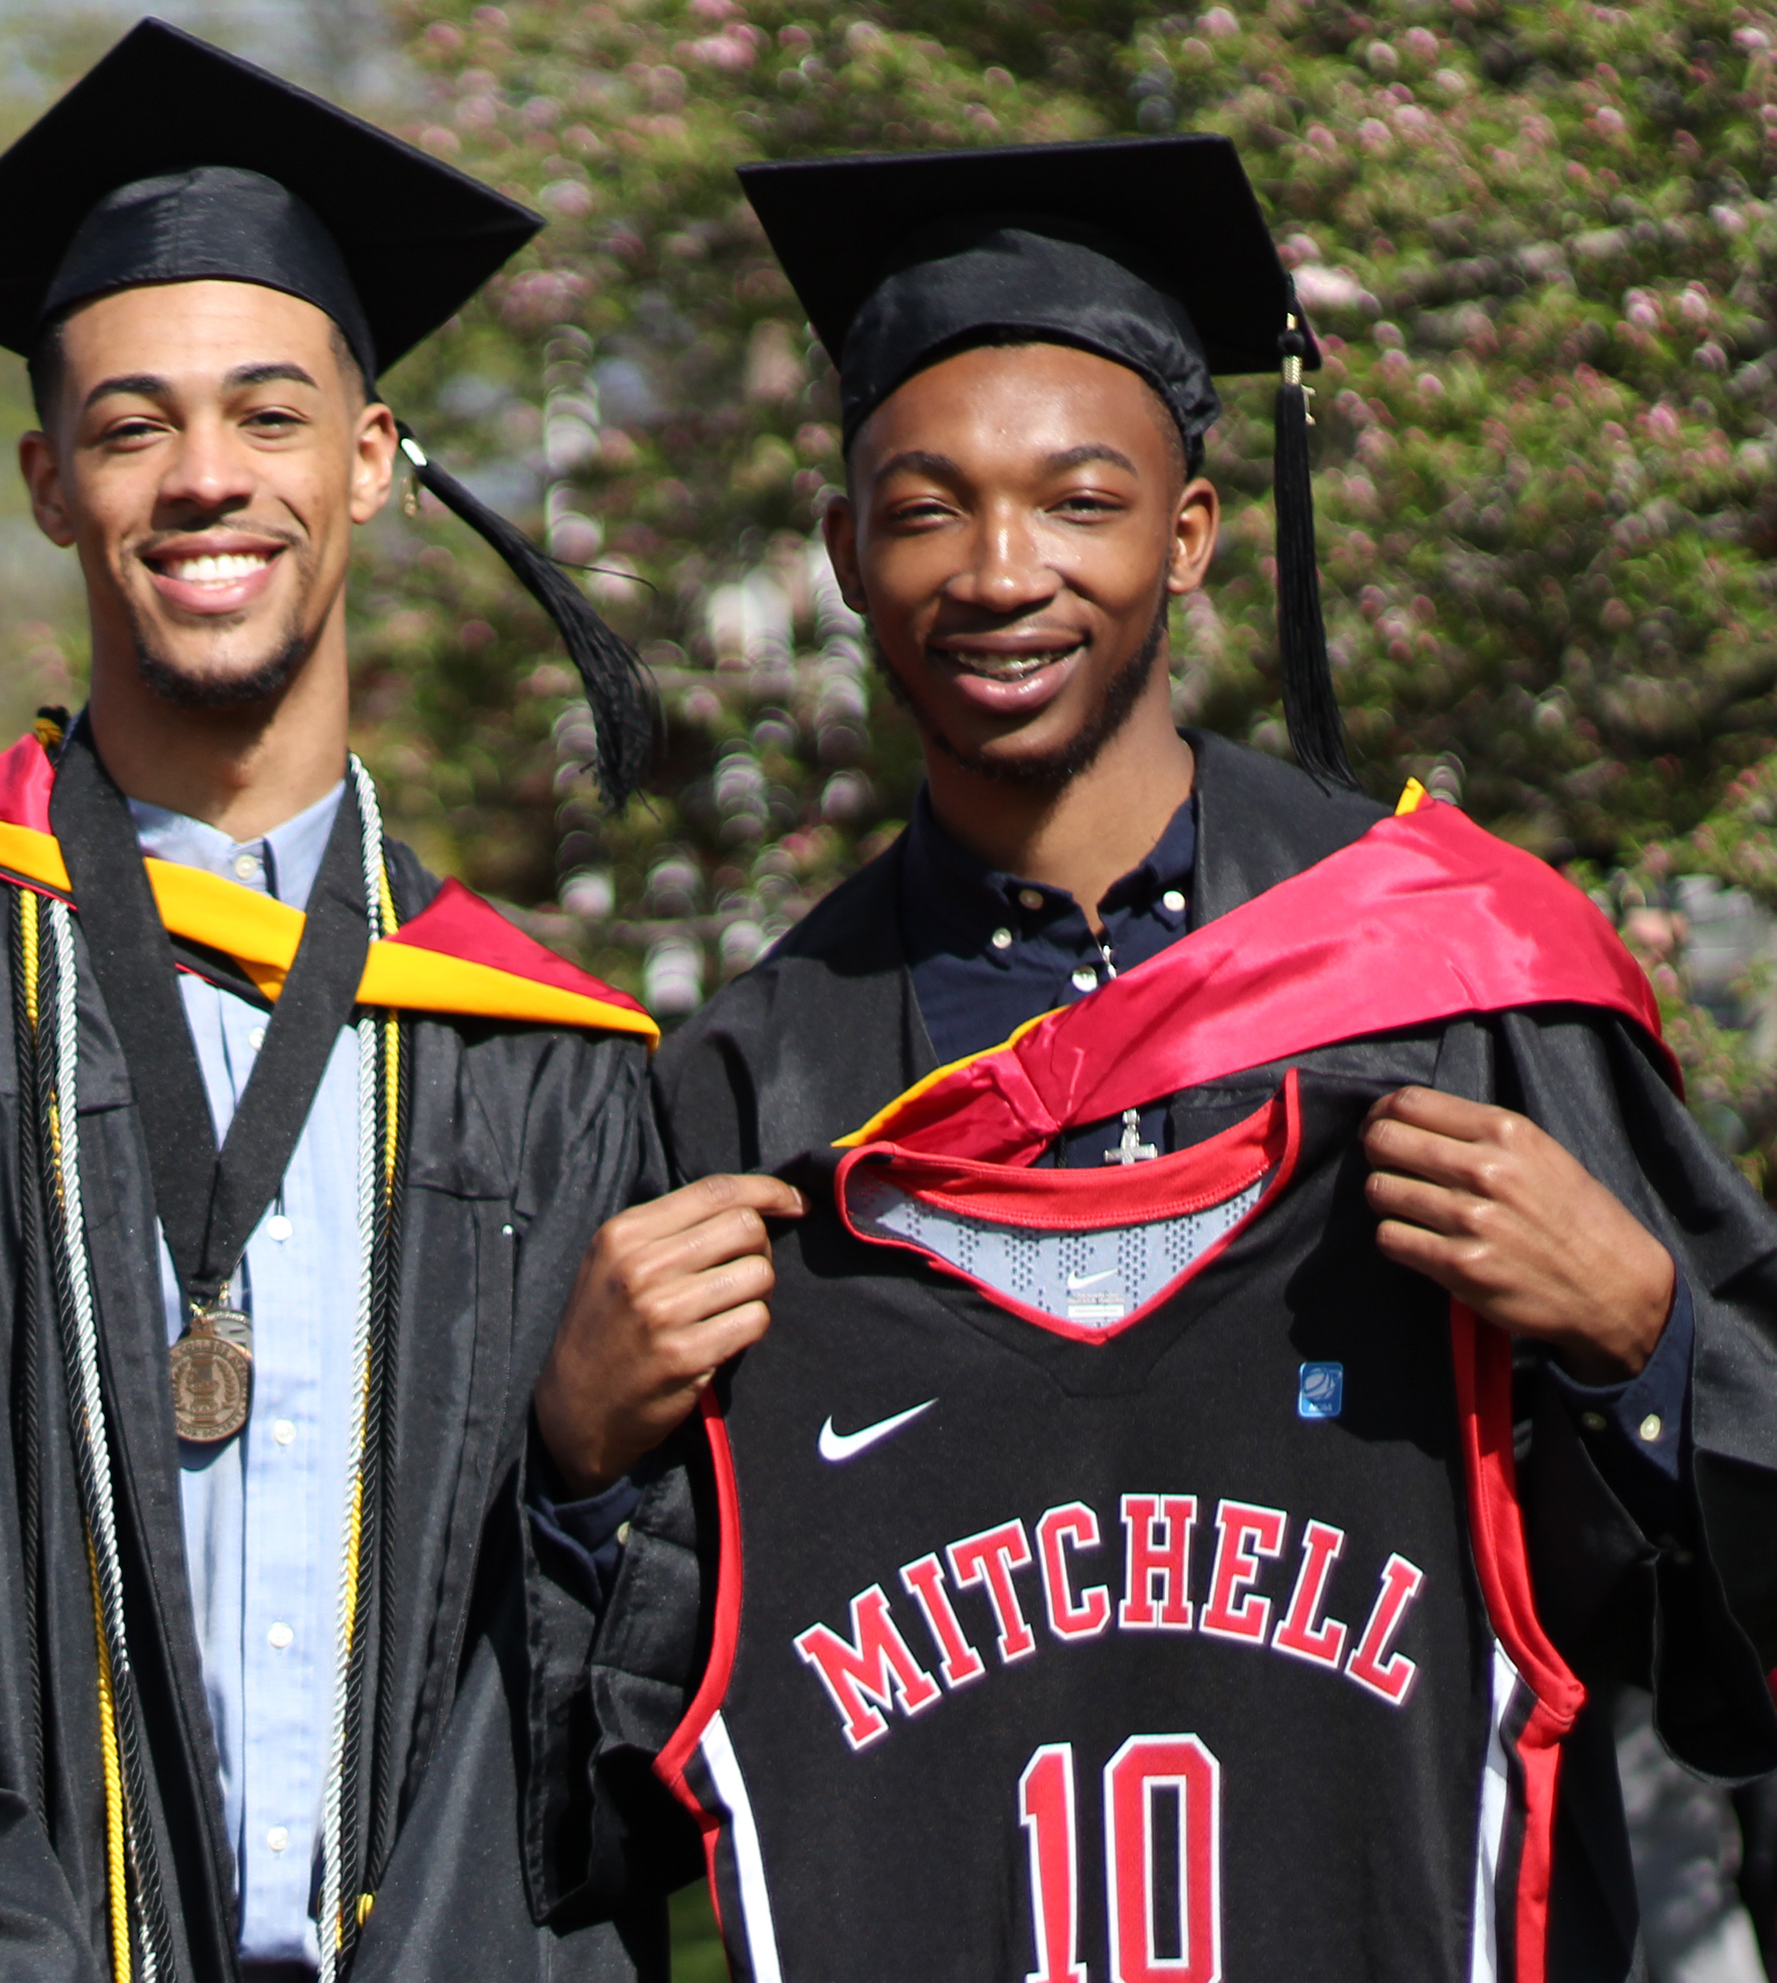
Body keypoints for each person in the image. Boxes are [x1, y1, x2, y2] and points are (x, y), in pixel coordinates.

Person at [531, 137, 1777, 1978]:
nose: (1004, 571)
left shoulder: (1456, 984)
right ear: (847, 554)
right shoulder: (755, 1093)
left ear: (1188, 536)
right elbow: (617, 1786)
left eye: (1079, 501)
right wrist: (575, 1459)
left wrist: (1641, 1335)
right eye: (931, 506)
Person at [0, 19, 779, 1983]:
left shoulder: (540, 1060)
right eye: (133, 422)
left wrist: (583, 1481)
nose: (203, 478)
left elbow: (635, 1775)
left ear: (373, 457)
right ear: (50, 480)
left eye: (265, 412)